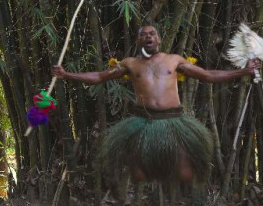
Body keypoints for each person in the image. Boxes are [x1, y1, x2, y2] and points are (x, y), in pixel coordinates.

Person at [53, 24, 260, 186]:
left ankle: (178, 202)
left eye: (152, 33)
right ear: (138, 40)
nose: (149, 36)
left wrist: (243, 72)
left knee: (185, 174)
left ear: (159, 39)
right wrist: (66, 74)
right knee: (139, 175)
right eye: (144, 34)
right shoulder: (129, 64)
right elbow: (99, 76)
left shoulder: (174, 60)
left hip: (174, 121)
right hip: (143, 121)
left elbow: (207, 75)